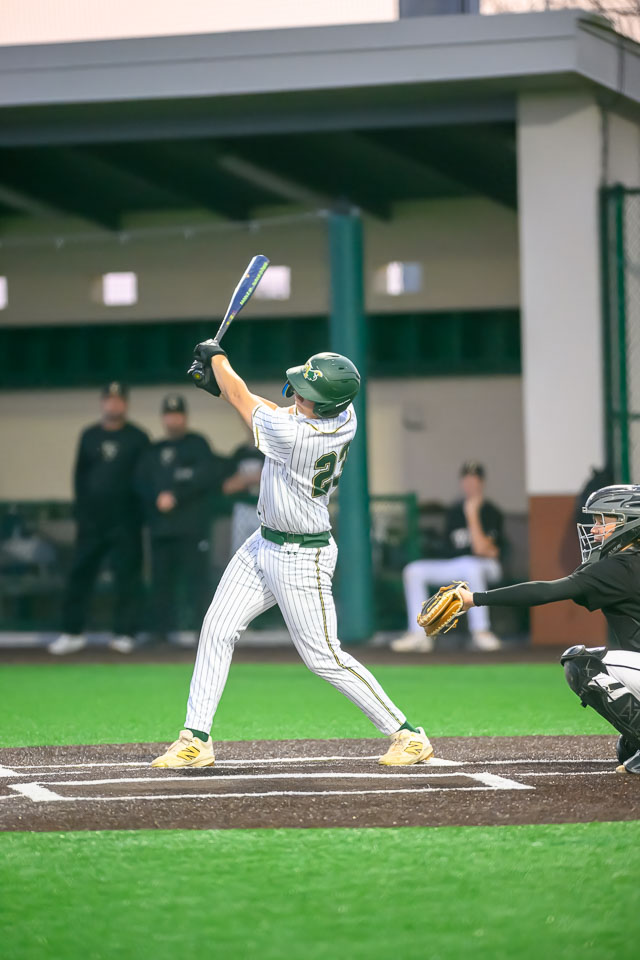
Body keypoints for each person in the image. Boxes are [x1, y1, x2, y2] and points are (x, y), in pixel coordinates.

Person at [152, 344, 433, 768]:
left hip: (302, 558)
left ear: (327, 405)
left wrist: (217, 359)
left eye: (308, 394)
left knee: (325, 658)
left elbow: (246, 401)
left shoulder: (301, 437)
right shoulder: (344, 416)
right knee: (217, 628)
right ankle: (196, 739)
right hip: (263, 543)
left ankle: (408, 734)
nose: (298, 395)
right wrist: (222, 386)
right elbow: (265, 407)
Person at [456, 484, 640, 775]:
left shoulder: (620, 567)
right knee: (627, 747)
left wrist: (474, 599)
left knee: (581, 664)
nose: (595, 529)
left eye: (603, 520)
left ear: (629, 523)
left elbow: (545, 591)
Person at [48, 382, 149, 655]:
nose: (113, 404)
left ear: (125, 404)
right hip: (92, 522)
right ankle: (72, 632)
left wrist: (139, 517)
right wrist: (81, 514)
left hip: (126, 521)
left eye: (118, 400)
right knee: (80, 575)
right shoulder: (89, 435)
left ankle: (125, 633)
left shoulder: (138, 438)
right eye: (109, 399)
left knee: (127, 577)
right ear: (102, 402)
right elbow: (79, 477)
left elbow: (144, 479)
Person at [135, 394, 226, 650]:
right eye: (169, 415)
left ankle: (204, 633)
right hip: (162, 529)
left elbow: (206, 477)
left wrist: (176, 495)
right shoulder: (154, 451)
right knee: (161, 582)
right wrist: (158, 497)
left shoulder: (197, 444)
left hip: (192, 528)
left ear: (185, 417)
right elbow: (141, 482)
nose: (173, 420)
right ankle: (160, 632)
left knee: (197, 581)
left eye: (177, 415)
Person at [392, 461, 504, 654]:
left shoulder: (492, 512)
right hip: (458, 565)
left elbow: (484, 551)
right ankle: (418, 634)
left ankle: (481, 632)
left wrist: (472, 514)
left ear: (482, 483)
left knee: (472, 566)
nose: (469, 485)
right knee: (413, 570)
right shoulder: (453, 512)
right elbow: (448, 551)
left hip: (488, 566)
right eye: (466, 481)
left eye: (474, 481)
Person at [222, 431, 264, 555]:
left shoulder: (276, 451)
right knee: (240, 554)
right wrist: (250, 478)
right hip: (243, 507)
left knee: (267, 555)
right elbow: (227, 487)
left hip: (268, 510)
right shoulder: (240, 452)